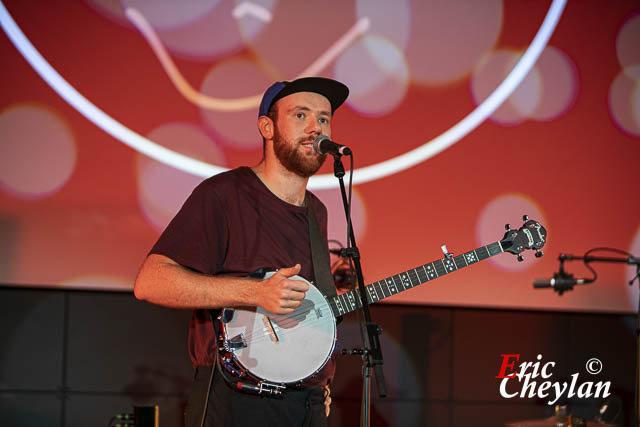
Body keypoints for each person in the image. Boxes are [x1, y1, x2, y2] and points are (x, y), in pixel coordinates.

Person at [134, 77, 349, 427]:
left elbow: (298, 318)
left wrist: (318, 378)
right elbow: (150, 282)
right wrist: (255, 292)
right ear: (267, 127)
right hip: (236, 400)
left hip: (304, 404)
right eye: (300, 116)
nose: (315, 128)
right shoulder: (223, 194)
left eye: (323, 119)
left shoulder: (317, 212)